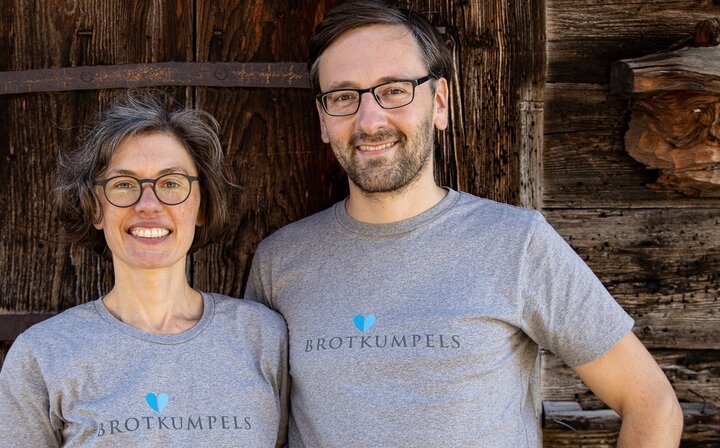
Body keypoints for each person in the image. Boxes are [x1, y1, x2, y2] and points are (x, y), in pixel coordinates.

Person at [244, 1, 682, 446]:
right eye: (343, 97)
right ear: (323, 120)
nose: (369, 120)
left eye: (394, 90)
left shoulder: (516, 244)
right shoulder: (280, 261)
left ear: (439, 103)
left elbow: (651, 404)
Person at [0, 92, 288, 447]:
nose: (148, 205)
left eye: (171, 183)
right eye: (124, 185)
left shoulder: (262, 338)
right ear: (95, 209)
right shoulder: (44, 353)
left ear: (202, 207)